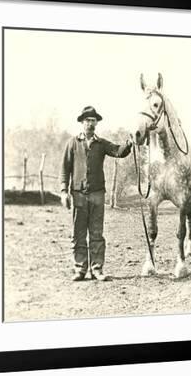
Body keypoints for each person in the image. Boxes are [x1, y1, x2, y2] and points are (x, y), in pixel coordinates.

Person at [59, 106, 132, 281]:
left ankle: (97, 269)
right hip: (78, 195)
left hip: (97, 195)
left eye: (93, 120)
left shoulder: (101, 143)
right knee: (78, 233)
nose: (90, 124)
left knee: (97, 233)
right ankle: (80, 269)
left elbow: (118, 151)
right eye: (87, 121)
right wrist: (63, 191)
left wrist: (129, 143)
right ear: (82, 123)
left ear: (96, 123)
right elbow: (65, 169)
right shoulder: (72, 143)